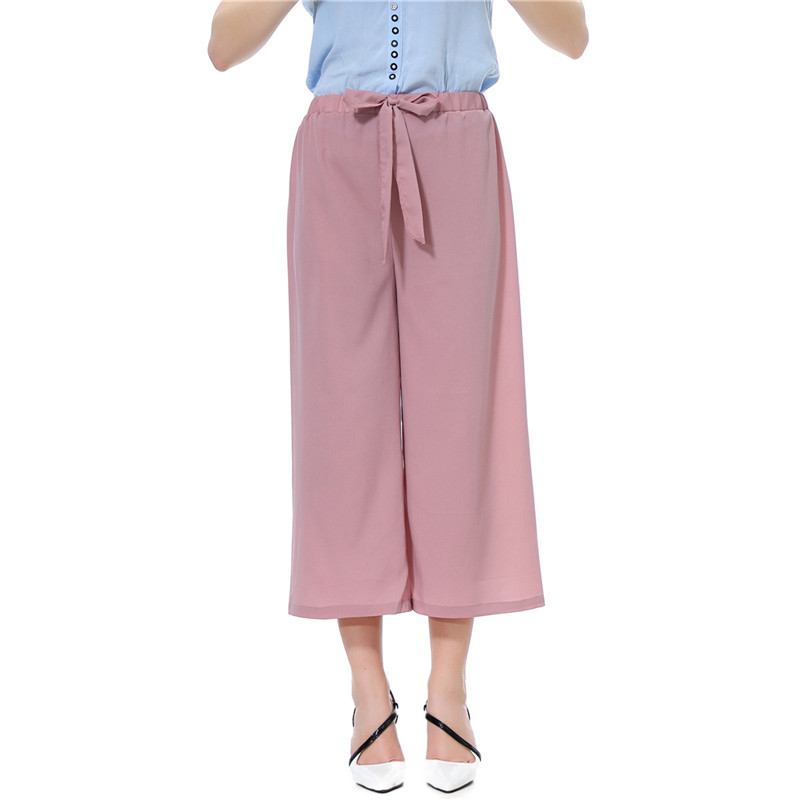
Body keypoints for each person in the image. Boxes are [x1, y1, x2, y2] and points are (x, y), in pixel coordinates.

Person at [208, 0, 588, 793]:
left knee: (462, 412)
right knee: (342, 419)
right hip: (338, 147)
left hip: (455, 141)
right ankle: (367, 691)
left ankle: (448, 689)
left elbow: (573, 35)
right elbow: (223, 45)